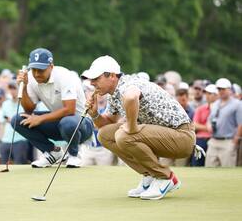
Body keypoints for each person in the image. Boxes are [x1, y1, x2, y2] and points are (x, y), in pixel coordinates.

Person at [82, 55, 195, 200]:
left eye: (96, 79)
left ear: (111, 76)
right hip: (163, 136)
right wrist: (94, 114)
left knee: (124, 135)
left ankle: (165, 178)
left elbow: (131, 97)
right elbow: (107, 122)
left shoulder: (128, 84)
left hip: (182, 136)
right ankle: (149, 175)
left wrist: (132, 126)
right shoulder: (113, 94)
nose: (92, 83)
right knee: (104, 135)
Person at [11, 48, 93, 168]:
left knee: (68, 122)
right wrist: (23, 88)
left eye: (41, 70)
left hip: (82, 124)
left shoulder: (65, 76)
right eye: (34, 70)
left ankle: (74, 155)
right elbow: (29, 110)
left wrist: (40, 118)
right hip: (59, 123)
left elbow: (70, 110)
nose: (37, 74)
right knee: (18, 120)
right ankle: (53, 152)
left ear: (51, 66)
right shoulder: (31, 78)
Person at [205, 78, 242, 167]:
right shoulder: (215, 103)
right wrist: (209, 126)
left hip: (228, 141)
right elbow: (209, 119)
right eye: (219, 89)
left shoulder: (237, 104)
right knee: (209, 170)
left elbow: (240, 124)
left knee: (227, 171)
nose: (221, 91)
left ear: (229, 89)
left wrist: (235, 141)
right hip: (214, 140)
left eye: (223, 89)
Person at [0, 81, 29, 164]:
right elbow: (2, 121)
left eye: (14, 88)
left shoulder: (25, 103)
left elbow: (25, 119)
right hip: (6, 140)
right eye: (10, 89)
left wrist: (12, 119)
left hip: (20, 139)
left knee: (19, 165)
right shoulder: (5, 103)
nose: (12, 91)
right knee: (3, 165)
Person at [190, 84, 218, 166]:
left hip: (214, 138)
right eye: (206, 93)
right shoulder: (200, 109)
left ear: (216, 95)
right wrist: (208, 128)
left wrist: (204, 127)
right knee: (197, 163)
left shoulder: (220, 109)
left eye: (210, 94)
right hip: (201, 139)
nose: (207, 96)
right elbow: (194, 125)